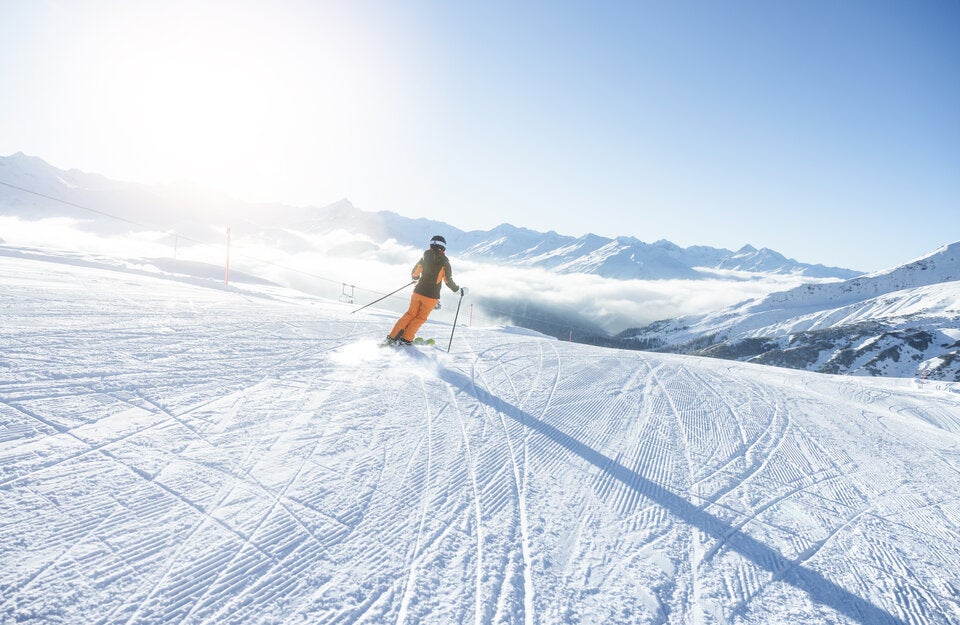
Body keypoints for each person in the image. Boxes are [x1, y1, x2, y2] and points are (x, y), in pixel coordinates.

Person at [385, 235, 466, 345]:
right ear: (443, 248)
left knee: (410, 314)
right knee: (420, 318)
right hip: (431, 297)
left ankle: (392, 337)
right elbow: (448, 281)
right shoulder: (445, 262)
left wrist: (415, 278)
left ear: (431, 246)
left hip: (418, 292)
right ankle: (406, 339)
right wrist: (458, 290)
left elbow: (415, 273)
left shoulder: (424, 258)